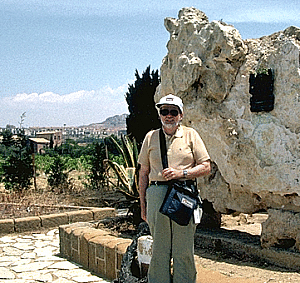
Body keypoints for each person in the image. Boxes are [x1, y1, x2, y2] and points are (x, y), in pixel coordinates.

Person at [138, 94, 211, 283]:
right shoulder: (150, 137)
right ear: (159, 114)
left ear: (181, 114)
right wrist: (143, 206)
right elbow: (143, 174)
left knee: (183, 248)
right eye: (164, 111)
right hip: (156, 195)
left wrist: (182, 174)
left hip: (183, 196)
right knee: (160, 249)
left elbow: (206, 166)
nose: (168, 116)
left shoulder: (191, 135)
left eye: (173, 111)